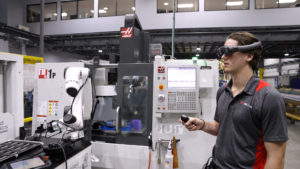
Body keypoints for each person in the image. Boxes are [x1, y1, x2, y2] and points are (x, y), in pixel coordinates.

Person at [180, 32, 288, 169]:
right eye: (223, 52)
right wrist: (201, 124)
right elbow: (221, 127)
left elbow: (276, 158)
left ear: (249, 56)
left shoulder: (268, 97)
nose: (224, 57)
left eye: (230, 52)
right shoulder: (223, 91)